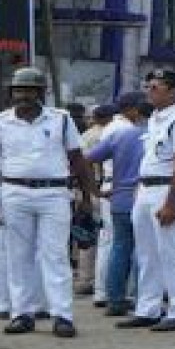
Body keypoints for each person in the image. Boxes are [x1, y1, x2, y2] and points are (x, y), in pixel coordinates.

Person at [0, 67, 97, 338]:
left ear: (41, 92)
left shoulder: (60, 119)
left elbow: (77, 159)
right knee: (18, 256)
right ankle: (22, 314)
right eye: (18, 90)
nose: (23, 95)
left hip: (54, 194)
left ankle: (62, 315)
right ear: (11, 93)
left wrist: (87, 198)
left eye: (29, 90)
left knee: (55, 255)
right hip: (13, 193)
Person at [117, 69, 175, 332]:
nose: (150, 90)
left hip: (167, 189)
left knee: (172, 253)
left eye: (157, 86)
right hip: (146, 189)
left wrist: (171, 202)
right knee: (146, 253)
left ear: (174, 92)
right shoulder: (154, 120)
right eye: (149, 86)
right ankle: (148, 308)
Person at [84, 94, 151, 317]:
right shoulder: (155, 135)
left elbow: (87, 159)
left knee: (120, 247)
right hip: (145, 197)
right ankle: (143, 299)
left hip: (119, 197)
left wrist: (94, 190)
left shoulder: (120, 135)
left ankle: (115, 300)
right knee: (145, 250)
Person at [75, 105, 114, 299]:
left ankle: (85, 279)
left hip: (88, 190)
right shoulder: (111, 133)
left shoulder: (85, 136)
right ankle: (103, 283)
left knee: (87, 235)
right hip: (104, 190)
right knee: (106, 238)